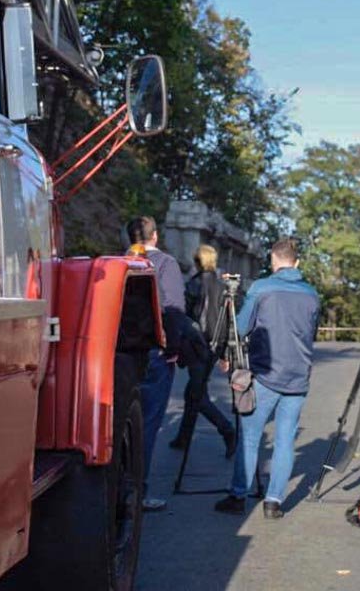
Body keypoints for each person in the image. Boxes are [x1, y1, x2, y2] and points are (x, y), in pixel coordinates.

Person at [214, 238, 320, 520]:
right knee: (286, 440)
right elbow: (312, 332)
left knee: (250, 438)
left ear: (273, 261)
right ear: (296, 263)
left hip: (265, 374)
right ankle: (273, 502)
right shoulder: (311, 294)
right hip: (298, 376)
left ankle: (238, 495)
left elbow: (241, 327)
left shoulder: (262, 288)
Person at [126, 215, 186, 513]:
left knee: (121, 422)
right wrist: (173, 348)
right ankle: (138, 491)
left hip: (121, 354)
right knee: (147, 425)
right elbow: (174, 308)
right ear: (156, 237)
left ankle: (118, 485)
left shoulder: (118, 263)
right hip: (154, 352)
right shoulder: (165, 264)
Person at [170, 244, 236, 456]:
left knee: (197, 395)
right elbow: (228, 321)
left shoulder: (193, 284)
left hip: (197, 345)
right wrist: (225, 353)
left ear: (198, 262)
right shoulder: (223, 287)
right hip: (215, 345)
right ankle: (183, 437)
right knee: (194, 391)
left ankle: (227, 430)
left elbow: (185, 319)